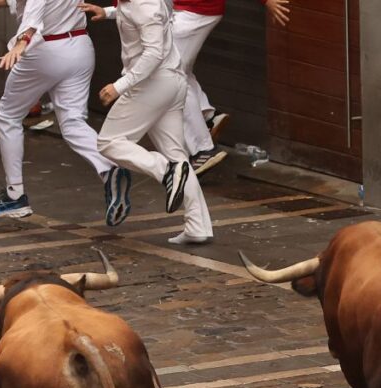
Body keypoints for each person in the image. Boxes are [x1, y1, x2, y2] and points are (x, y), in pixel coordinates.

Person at [0, 0, 129, 221]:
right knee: (73, 122)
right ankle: (109, 169)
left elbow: (34, 10)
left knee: (8, 115)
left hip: (45, 49)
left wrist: (21, 43)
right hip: (80, 45)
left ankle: (15, 196)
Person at [83, 0, 214, 244]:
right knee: (178, 155)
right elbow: (138, 16)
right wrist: (108, 12)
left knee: (109, 142)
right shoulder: (135, 3)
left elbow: (154, 52)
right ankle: (198, 226)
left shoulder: (144, 5)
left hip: (152, 84)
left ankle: (166, 171)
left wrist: (119, 86)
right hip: (170, 82)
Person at [167, 0, 291, 175]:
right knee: (178, 71)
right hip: (189, 9)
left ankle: (203, 149)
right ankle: (207, 116)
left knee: (170, 77)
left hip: (194, 11)